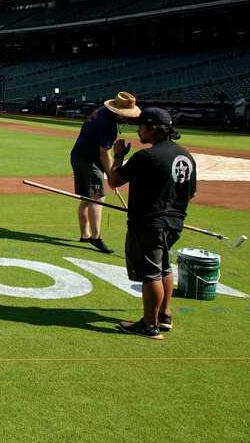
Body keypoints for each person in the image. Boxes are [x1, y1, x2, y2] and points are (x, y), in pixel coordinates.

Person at [108, 107, 197, 339]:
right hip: (175, 222)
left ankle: (149, 325)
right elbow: (190, 193)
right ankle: (164, 316)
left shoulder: (146, 156)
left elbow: (114, 180)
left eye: (142, 125)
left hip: (149, 223)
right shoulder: (185, 156)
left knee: (150, 274)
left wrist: (118, 155)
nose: (139, 129)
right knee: (164, 267)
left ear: (153, 129)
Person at [69, 91, 141, 254]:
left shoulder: (102, 112)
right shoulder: (108, 125)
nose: (128, 119)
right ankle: (96, 237)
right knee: (98, 197)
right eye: (126, 116)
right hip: (88, 159)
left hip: (80, 156)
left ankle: (85, 234)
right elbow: (104, 153)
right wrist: (112, 177)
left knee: (87, 198)